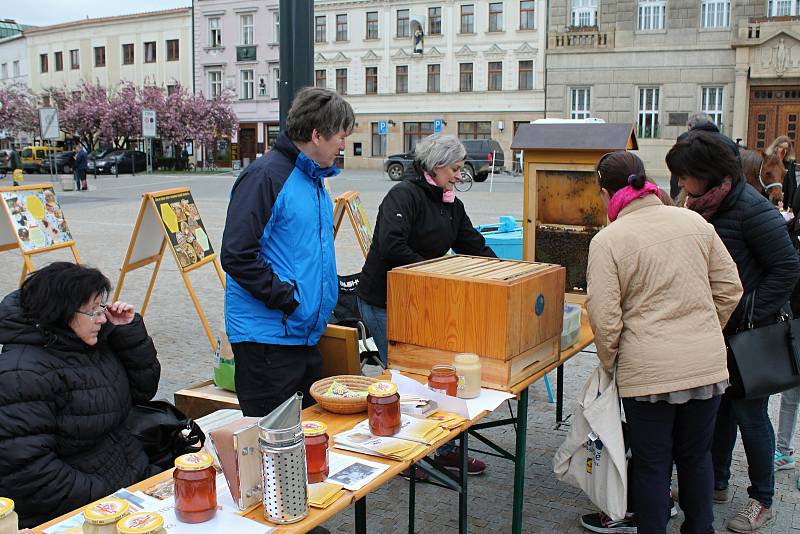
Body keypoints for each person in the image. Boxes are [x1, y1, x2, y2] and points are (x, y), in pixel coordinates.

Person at [586, 151, 742, 534]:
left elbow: (605, 320)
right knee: (696, 458)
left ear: (607, 193)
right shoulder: (695, 222)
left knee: (653, 464)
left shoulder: (608, 240)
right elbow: (730, 289)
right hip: (705, 367)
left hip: (649, 372)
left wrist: (612, 363)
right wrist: (704, 331)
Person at [666, 130, 800, 533]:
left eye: (685, 177)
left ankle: (763, 499)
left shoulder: (751, 210)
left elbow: (788, 269)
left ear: (708, 176)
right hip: (717, 333)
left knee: (750, 416)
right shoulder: (707, 205)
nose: (681, 185)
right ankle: (717, 482)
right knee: (719, 410)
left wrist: (747, 311)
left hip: (747, 337)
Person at [357, 133, 497, 475]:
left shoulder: (451, 204)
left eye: (461, 169)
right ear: (435, 167)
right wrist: (433, 273)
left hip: (423, 300)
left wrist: (502, 271)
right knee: (405, 378)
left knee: (437, 375)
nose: (459, 176)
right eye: (455, 169)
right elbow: (392, 247)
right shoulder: (402, 196)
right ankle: (404, 454)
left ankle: (443, 448)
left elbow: (471, 243)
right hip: (384, 301)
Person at [221, 87, 354, 417]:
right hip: (268, 339)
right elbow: (237, 254)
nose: (343, 144)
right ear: (316, 135)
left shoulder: (312, 179)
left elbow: (307, 252)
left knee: (308, 438)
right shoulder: (266, 176)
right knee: (274, 447)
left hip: (300, 335)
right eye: (340, 135)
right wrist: (288, 298)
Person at [0, 262, 161, 528]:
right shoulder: (20, 374)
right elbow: (29, 472)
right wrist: (108, 498)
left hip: (130, 478)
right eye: (92, 311)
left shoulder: (87, 341)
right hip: (82, 505)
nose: (101, 317)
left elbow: (143, 391)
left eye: (101, 307)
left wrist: (126, 332)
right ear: (60, 313)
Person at [669, 112, 739, 200]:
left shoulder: (687, 140)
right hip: (727, 198)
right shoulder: (728, 142)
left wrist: (675, 197)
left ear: (690, 126)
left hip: (692, 197)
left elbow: (678, 173)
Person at [767, 135, 796, 211]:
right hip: (770, 200)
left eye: (786, 148)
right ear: (775, 148)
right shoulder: (769, 161)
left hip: (786, 201)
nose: (784, 151)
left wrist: (791, 204)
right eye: (781, 147)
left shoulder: (790, 163)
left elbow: (793, 184)